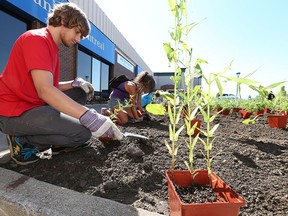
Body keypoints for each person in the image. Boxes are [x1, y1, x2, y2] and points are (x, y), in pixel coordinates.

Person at [0, 2, 122, 165]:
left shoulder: (52, 48)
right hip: (11, 111)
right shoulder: (36, 39)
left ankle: (58, 142)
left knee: (80, 92)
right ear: (64, 20)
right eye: (77, 32)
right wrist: (90, 117)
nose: (78, 39)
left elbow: (48, 84)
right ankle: (24, 142)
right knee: (82, 134)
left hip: (32, 105)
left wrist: (73, 83)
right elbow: (45, 90)